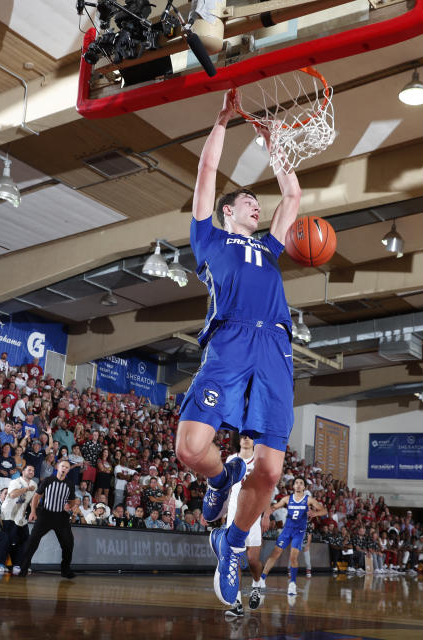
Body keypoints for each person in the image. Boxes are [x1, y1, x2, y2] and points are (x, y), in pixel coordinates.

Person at [175, 90, 302, 607]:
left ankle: (230, 543)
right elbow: (206, 172)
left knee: (271, 470)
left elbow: (291, 196)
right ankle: (220, 474)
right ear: (229, 211)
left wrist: (274, 143)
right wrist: (222, 122)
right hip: (229, 340)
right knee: (189, 450)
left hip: (274, 344)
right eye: (248, 200)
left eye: (257, 201)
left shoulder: (270, 247)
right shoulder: (210, 238)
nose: (258, 203)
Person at [260, 477, 327, 597]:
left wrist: (315, 513)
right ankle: (261, 579)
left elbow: (324, 511)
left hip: (299, 532)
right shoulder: (287, 499)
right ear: (294, 486)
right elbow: (274, 507)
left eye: (301, 483)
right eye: (296, 483)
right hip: (286, 531)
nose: (299, 485)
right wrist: (266, 514)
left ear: (304, 487)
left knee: (293, 558)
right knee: (274, 554)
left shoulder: (309, 500)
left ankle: (292, 584)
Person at [222, 435, 266, 616]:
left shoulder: (261, 460)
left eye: (250, 436)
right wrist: (221, 511)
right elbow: (227, 488)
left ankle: (257, 584)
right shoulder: (231, 460)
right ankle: (236, 602)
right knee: (234, 559)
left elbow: (267, 489)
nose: (246, 438)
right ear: (238, 440)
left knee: (253, 560)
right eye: (243, 436)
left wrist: (267, 513)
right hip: (233, 513)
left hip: (254, 513)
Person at [17, 458, 78, 579]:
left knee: (68, 543)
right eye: (63, 466)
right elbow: (36, 497)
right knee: (32, 542)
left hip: (61, 517)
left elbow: (72, 501)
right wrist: (33, 511)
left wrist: (70, 505)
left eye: (67, 467)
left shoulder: (70, 484)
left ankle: (65, 570)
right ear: (58, 468)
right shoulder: (48, 480)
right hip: (45, 515)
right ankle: (23, 569)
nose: (65, 469)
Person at [0, 464, 38, 574]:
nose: (31, 471)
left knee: (25, 540)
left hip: (20, 516)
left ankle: (18, 565)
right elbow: (13, 495)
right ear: (23, 472)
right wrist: (27, 489)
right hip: (9, 514)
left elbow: (34, 499)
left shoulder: (34, 484)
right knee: (8, 539)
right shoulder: (15, 482)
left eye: (33, 470)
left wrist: (33, 511)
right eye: (29, 470)